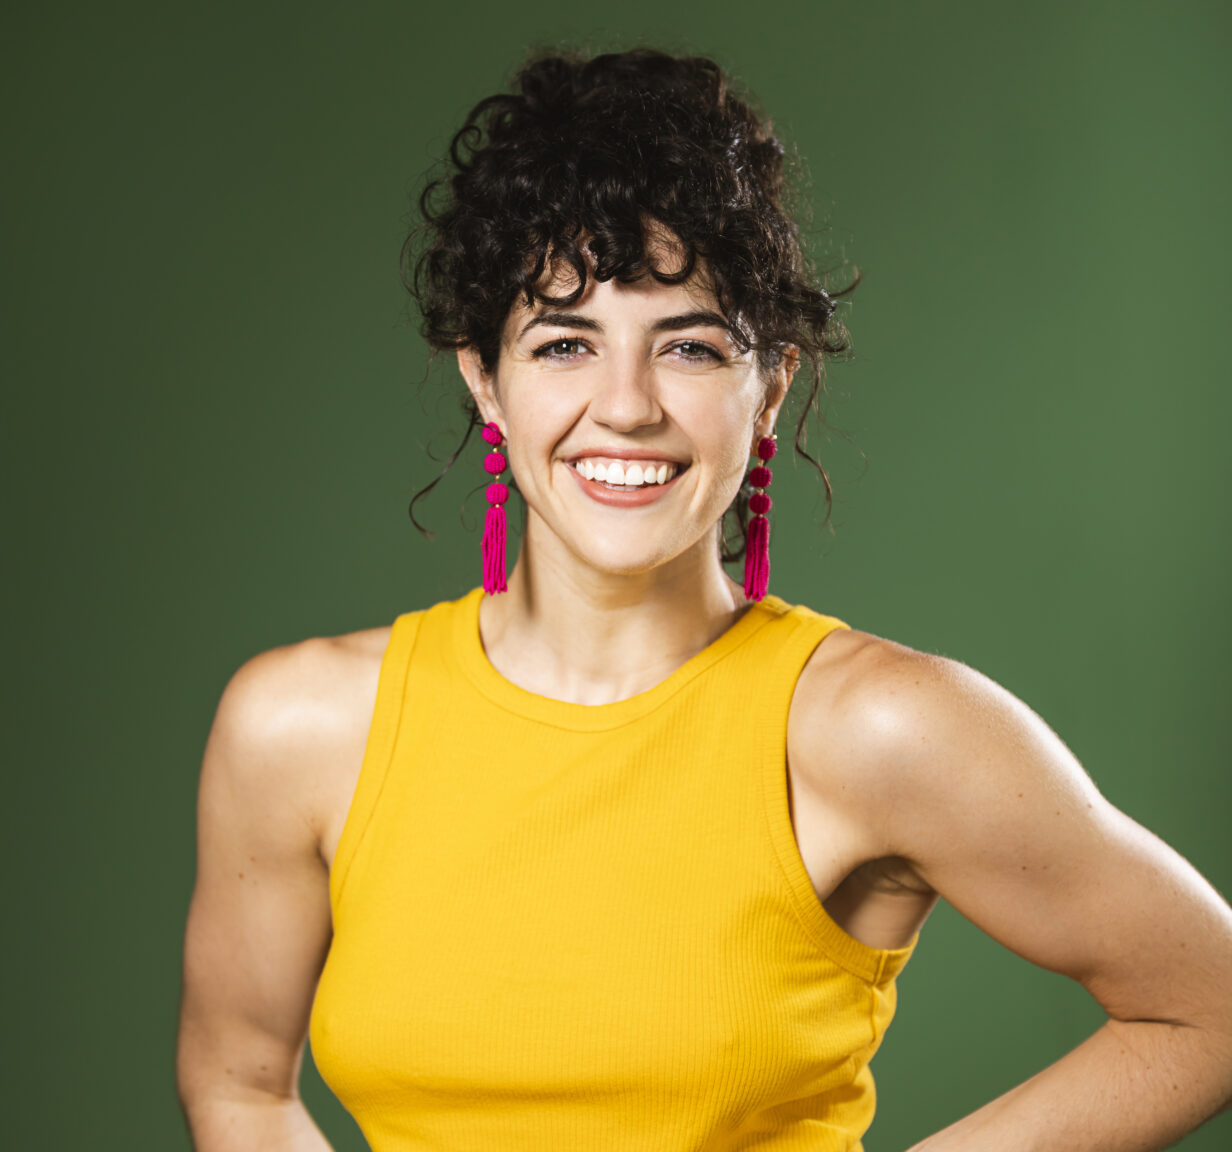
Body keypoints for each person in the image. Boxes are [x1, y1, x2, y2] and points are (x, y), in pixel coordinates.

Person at [174, 45, 1232, 1152]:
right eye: (563, 342)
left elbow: (1205, 1003)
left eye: (685, 345)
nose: (623, 407)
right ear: (483, 379)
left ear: (767, 387)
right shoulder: (294, 729)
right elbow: (240, 1086)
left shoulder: (879, 728)